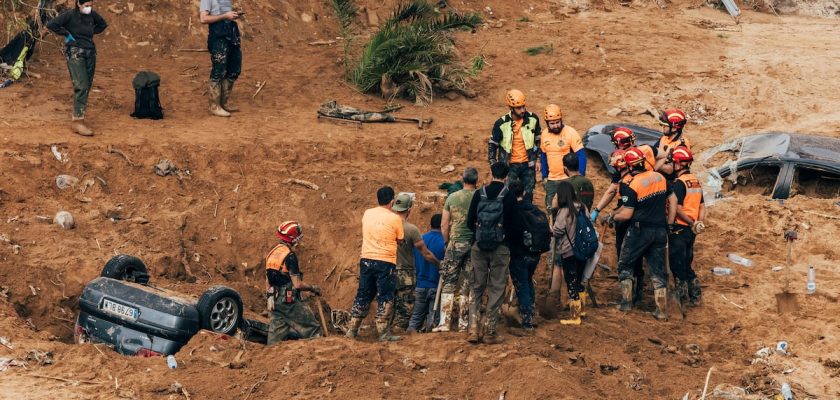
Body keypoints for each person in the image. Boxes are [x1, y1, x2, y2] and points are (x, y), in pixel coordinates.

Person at [605, 148, 677, 320]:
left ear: (629, 166)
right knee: (658, 271)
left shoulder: (632, 184)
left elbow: (627, 213)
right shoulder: (660, 177)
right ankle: (661, 310)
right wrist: (670, 223)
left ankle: (626, 303)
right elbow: (673, 200)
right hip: (660, 230)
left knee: (625, 264)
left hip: (639, 230)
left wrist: (612, 217)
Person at [465, 162, 517, 344]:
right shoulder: (508, 195)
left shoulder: (480, 193)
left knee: (477, 286)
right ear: (506, 177)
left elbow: (469, 221)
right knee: (496, 288)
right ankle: (490, 330)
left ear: (490, 173)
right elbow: (512, 225)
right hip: (500, 247)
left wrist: (480, 234)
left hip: (478, 246)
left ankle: (473, 328)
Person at [346, 186, 404, 341]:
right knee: (385, 295)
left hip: (366, 259)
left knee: (363, 293)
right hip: (385, 261)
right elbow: (400, 239)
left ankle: (352, 329)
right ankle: (383, 333)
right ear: (392, 201)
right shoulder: (395, 218)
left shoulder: (367, 213)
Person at [591, 149, 646, 304]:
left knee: (624, 255)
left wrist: (607, 214)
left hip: (626, 218)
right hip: (640, 219)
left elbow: (613, 194)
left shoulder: (625, 181)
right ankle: (638, 293)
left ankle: (627, 297)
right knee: (637, 255)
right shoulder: (639, 175)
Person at [46, 0, 107, 136]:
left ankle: (80, 116)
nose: (89, 8)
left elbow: (103, 24)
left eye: (91, 5)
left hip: (90, 52)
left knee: (87, 84)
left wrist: (91, 31)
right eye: (86, 5)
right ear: (79, 4)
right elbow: (52, 24)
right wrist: (67, 34)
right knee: (81, 84)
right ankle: (77, 121)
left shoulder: (92, 15)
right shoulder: (70, 15)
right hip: (75, 52)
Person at [433, 167, 479, 333]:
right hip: (474, 245)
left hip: (456, 243)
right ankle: (463, 323)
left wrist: (446, 242)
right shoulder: (480, 196)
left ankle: (444, 322)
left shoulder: (453, 197)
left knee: (449, 282)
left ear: (462, 179)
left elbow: (444, 224)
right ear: (476, 180)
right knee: (467, 283)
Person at [265, 221, 322, 344]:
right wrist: (313, 288)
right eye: (297, 238)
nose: (298, 241)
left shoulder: (272, 252)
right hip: (288, 301)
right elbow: (297, 284)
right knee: (312, 327)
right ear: (291, 238)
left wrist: (270, 296)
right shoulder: (289, 256)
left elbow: (267, 278)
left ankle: (270, 357)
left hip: (275, 300)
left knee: (275, 338)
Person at [391, 193, 441, 331]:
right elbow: (425, 254)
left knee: (390, 307)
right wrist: (440, 265)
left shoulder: (386, 226)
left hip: (389, 271)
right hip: (408, 276)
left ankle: (388, 332)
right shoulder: (412, 230)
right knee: (406, 312)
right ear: (409, 210)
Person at [488, 89, 542, 203]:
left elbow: (538, 140)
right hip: (509, 166)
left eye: (523, 106)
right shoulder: (501, 123)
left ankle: (525, 216)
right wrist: (493, 164)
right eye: (519, 108)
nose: (522, 110)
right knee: (508, 193)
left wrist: (538, 159)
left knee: (528, 194)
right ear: (511, 108)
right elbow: (493, 144)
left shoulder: (533, 119)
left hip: (528, 164)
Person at [667, 146, 705, 307]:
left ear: (679, 164)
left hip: (680, 228)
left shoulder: (679, 184)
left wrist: (689, 222)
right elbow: (702, 206)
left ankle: (682, 299)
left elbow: (678, 208)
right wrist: (698, 222)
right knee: (687, 262)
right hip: (691, 230)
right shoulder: (695, 181)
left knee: (678, 264)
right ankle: (696, 296)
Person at [506, 180, 546, 332]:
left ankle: (527, 320)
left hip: (519, 254)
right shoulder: (534, 209)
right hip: (535, 254)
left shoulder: (513, 211)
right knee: (528, 281)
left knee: (521, 285)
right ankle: (531, 313)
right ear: (523, 193)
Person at [548, 181, 589, 325]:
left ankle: (575, 316)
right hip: (583, 249)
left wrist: (553, 213)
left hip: (568, 251)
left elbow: (557, 231)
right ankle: (582, 309)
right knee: (580, 280)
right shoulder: (582, 207)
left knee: (571, 282)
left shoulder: (564, 211)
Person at [199, 0, 243, 117]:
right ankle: (214, 106)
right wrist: (225, 16)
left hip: (232, 34)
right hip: (218, 37)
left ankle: (224, 103)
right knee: (219, 70)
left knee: (234, 69)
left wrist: (233, 15)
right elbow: (203, 18)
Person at [539, 104, 586, 212]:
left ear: (561, 120)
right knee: (551, 209)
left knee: (571, 209)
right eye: (552, 123)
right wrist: (544, 176)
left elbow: (581, 155)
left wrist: (580, 176)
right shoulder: (544, 134)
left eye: (557, 122)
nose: (555, 126)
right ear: (547, 123)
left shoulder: (571, 133)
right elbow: (544, 155)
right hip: (551, 180)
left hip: (568, 179)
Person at [408, 214, 446, 333]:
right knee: (433, 320)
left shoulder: (420, 239)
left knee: (415, 318)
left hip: (420, 284)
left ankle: (409, 336)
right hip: (436, 285)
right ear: (442, 225)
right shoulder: (445, 242)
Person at [653, 109, 692, 173]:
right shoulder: (664, 138)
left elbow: (671, 170)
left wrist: (652, 164)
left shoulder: (681, 145)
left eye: (665, 125)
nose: (663, 127)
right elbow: (654, 152)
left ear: (674, 128)